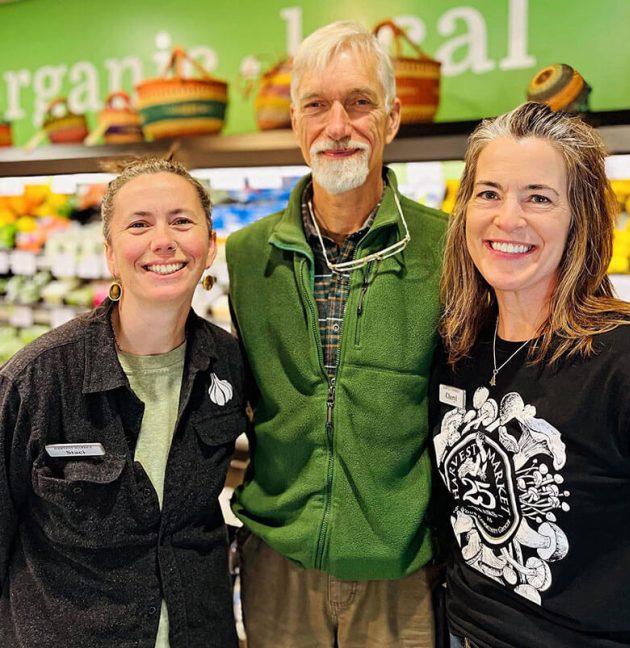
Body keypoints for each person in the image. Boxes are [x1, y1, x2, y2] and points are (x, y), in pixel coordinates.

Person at [226, 20, 448, 647]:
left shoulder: (448, 246)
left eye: (359, 102)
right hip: (278, 559)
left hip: (402, 567)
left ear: (393, 117)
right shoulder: (246, 256)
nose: (338, 126)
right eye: (316, 105)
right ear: (295, 121)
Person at [0, 158, 245, 648]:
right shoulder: (39, 379)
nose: (163, 241)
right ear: (111, 254)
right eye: (139, 224)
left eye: (181, 220)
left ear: (210, 245)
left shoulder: (228, 361)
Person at [434, 101, 630, 648]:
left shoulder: (629, 363)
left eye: (539, 198)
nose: (508, 218)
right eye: (489, 193)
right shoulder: (460, 348)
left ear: (581, 218)